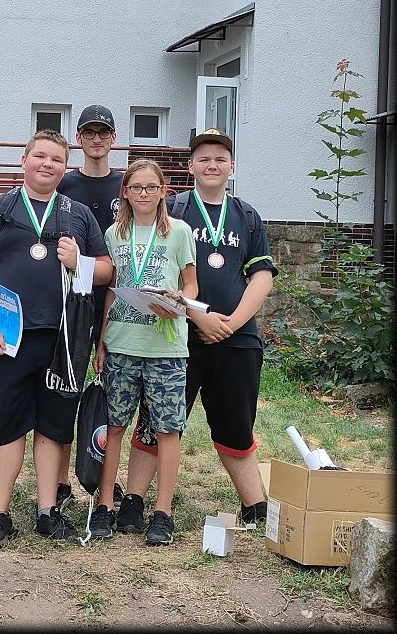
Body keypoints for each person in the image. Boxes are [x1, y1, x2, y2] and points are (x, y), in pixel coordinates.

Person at [120, 129, 277, 532]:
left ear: (231, 166)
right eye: (203, 159)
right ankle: (133, 502)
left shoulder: (247, 215)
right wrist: (197, 317)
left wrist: (231, 323)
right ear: (190, 166)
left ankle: (255, 505)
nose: (212, 165)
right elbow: (154, 270)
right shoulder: (172, 209)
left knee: (236, 422)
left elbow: (261, 276)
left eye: (220, 159)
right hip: (176, 338)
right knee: (156, 421)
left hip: (237, 338)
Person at [0, 130, 112, 548]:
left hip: (64, 337)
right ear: (24, 160)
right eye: (40, 156)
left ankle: (48, 511)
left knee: (54, 425)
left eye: (56, 159)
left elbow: (106, 270)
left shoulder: (77, 213)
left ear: (65, 167)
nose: (47, 164)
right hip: (9, 338)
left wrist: (80, 261)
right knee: (10, 424)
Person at [89, 160, 197, 546]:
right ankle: (105, 504)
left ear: (164, 191)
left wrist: (177, 303)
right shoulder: (114, 234)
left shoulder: (179, 232)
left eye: (151, 187)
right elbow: (111, 291)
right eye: (136, 187)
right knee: (114, 427)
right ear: (126, 193)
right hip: (122, 344)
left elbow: (191, 286)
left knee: (166, 430)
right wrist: (102, 341)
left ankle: (162, 512)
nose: (144, 194)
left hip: (166, 347)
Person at [54, 104, 123, 512]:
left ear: (114, 138)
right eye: (89, 133)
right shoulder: (64, 184)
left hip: (117, 296)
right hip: (71, 299)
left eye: (103, 133)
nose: (96, 140)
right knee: (65, 391)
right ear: (78, 138)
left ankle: (105, 480)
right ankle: (61, 482)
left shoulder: (125, 185)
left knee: (112, 399)